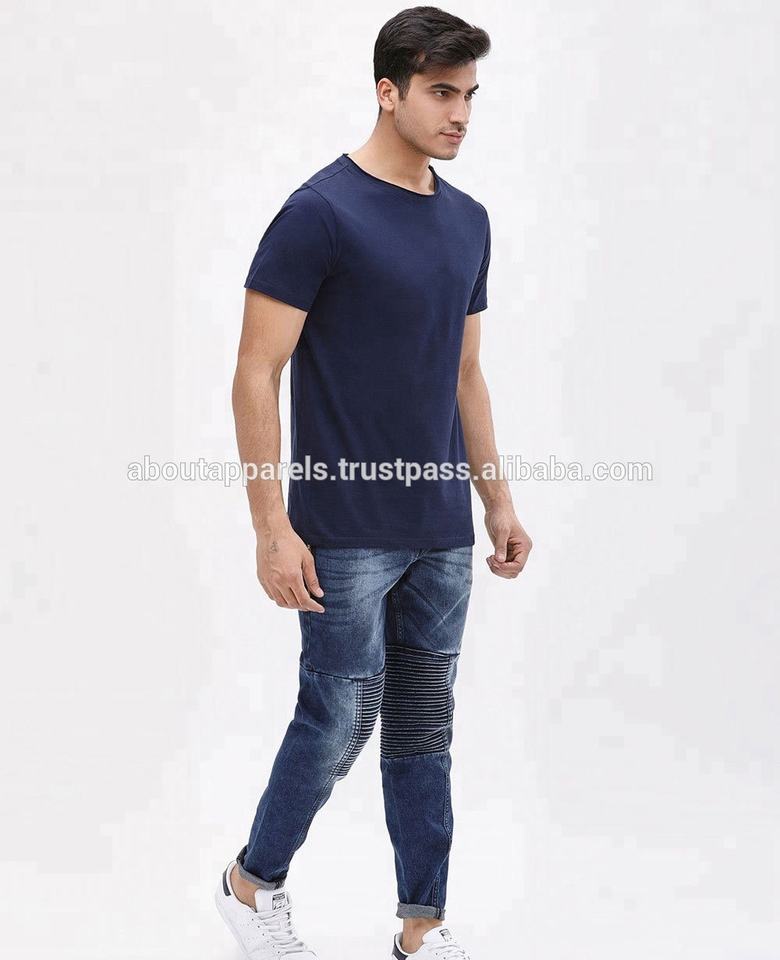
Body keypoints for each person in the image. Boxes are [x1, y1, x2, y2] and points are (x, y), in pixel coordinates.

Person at [215, 6, 532, 958]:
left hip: (439, 527)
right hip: (343, 525)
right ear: (388, 92)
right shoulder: (320, 213)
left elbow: (465, 373)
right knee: (340, 718)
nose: (460, 114)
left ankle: (420, 927)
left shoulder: (469, 222)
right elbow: (256, 371)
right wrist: (271, 525)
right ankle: (250, 885)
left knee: (425, 724)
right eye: (440, 92)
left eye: (469, 95)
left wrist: (497, 501)